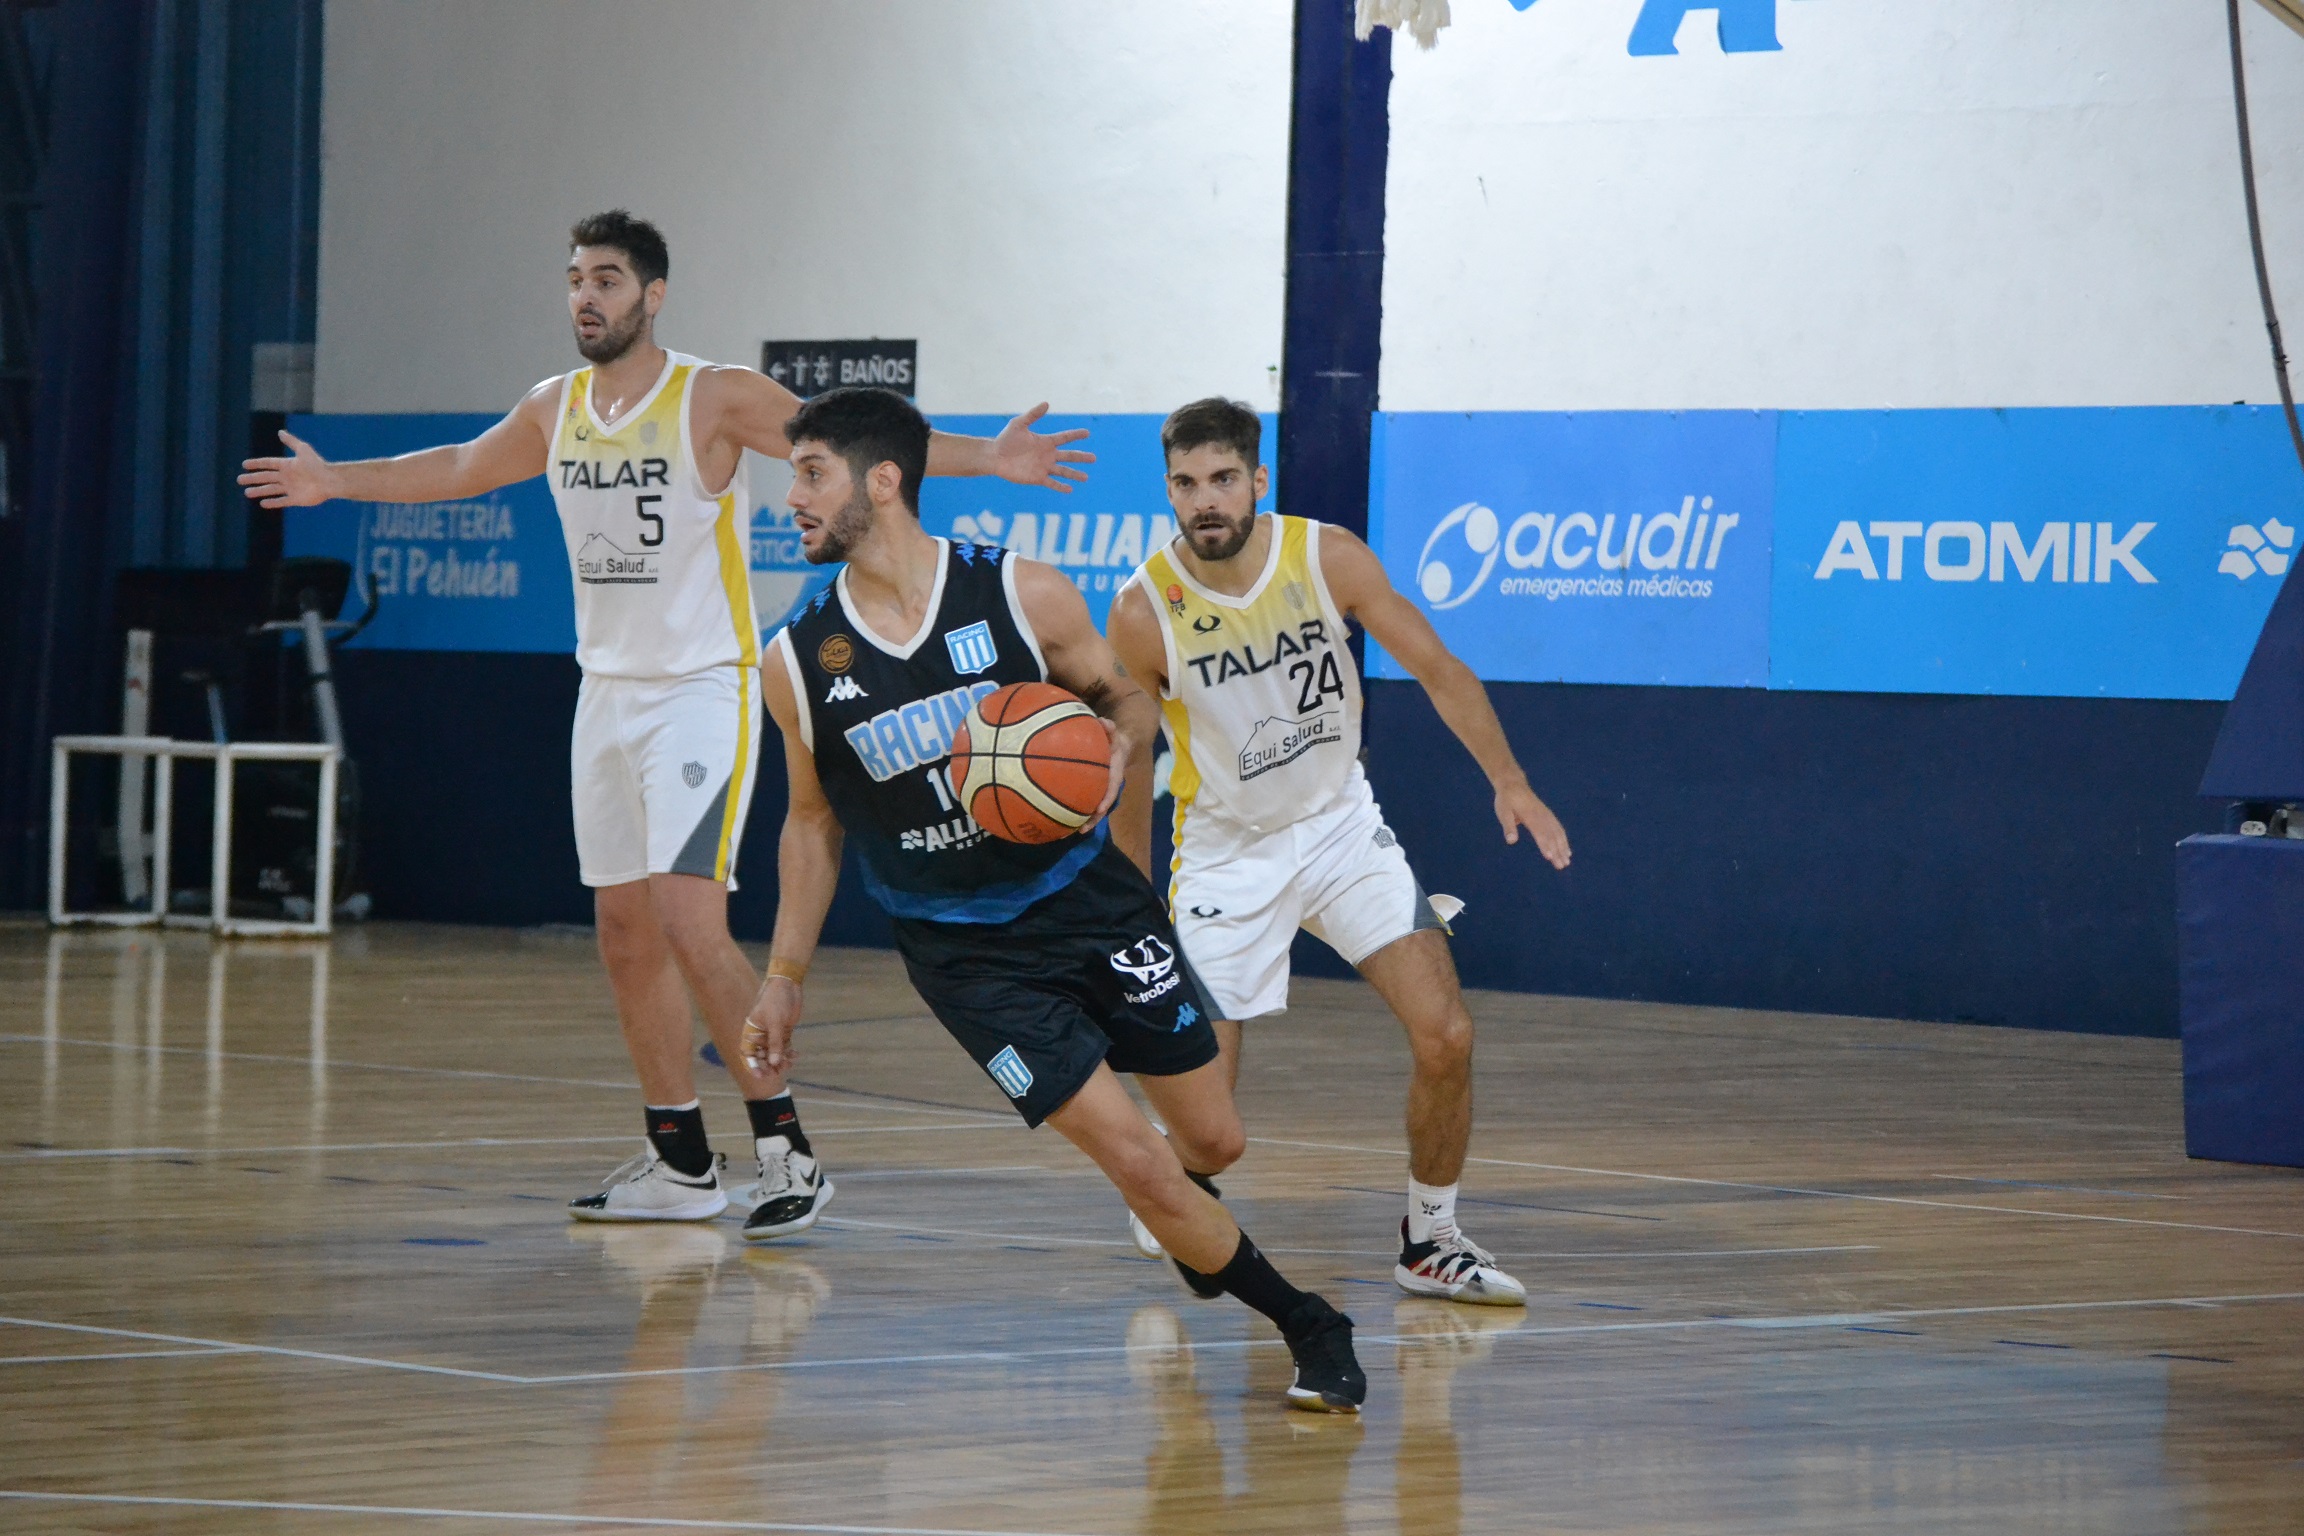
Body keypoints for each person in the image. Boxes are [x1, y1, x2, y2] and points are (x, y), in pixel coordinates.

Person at [239, 210, 1090, 1236]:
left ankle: (787, 1150)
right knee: (623, 930)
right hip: (603, 692)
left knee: (691, 914)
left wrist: (990, 459)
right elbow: (462, 467)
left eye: (605, 278)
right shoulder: (554, 408)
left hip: (701, 689)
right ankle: (679, 1159)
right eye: (572, 280)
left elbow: (855, 447)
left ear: (653, 294)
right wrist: (337, 481)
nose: (584, 296)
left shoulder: (714, 396)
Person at [738, 385, 1366, 1412]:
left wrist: (1115, 753)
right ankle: (1310, 1322)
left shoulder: (1024, 594)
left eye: (810, 475)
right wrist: (783, 976)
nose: (792, 500)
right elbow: (813, 823)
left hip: (1088, 901)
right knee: (1134, 1161)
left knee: (1212, 1143)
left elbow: (1121, 694)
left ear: (882, 480)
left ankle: (1190, 1217)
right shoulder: (797, 660)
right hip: (966, 956)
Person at [1105, 397, 1573, 1306]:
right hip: (1224, 854)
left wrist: (1508, 779)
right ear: (1169, 491)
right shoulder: (1139, 610)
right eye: (1186, 484)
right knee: (1209, 1133)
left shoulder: (1326, 557)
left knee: (1447, 1033)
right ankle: (1176, 1173)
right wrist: (1126, 898)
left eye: (1223, 481)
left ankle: (1429, 1240)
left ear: (1257, 483)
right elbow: (1130, 764)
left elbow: (1439, 668)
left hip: (1340, 827)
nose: (1205, 501)